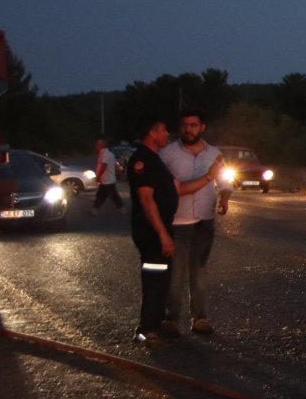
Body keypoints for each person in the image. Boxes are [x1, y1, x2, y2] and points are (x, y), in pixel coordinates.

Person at [128, 115, 219, 343]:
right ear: (152, 133)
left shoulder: (155, 159)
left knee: (162, 279)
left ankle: (156, 325)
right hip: (151, 231)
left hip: (163, 228)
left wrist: (209, 176)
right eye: (163, 130)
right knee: (154, 279)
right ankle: (147, 330)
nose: (167, 134)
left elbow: (180, 188)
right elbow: (147, 201)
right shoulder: (143, 161)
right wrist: (162, 234)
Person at [159, 108, 229, 335]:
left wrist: (225, 197)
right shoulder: (168, 154)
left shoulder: (214, 153)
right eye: (184, 125)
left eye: (193, 125)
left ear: (202, 127)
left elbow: (224, 179)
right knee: (175, 274)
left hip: (204, 222)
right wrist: (207, 176)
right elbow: (170, 189)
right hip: (178, 223)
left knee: (198, 272)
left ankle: (200, 318)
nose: (188, 129)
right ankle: (171, 319)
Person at [92, 137, 126, 215]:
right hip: (109, 179)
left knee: (103, 196)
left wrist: (98, 177)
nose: (95, 146)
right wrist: (121, 171)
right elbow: (116, 164)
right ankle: (122, 209)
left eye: (97, 144)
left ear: (100, 146)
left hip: (107, 180)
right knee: (109, 195)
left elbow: (104, 165)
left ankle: (95, 209)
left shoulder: (105, 154)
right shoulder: (109, 154)